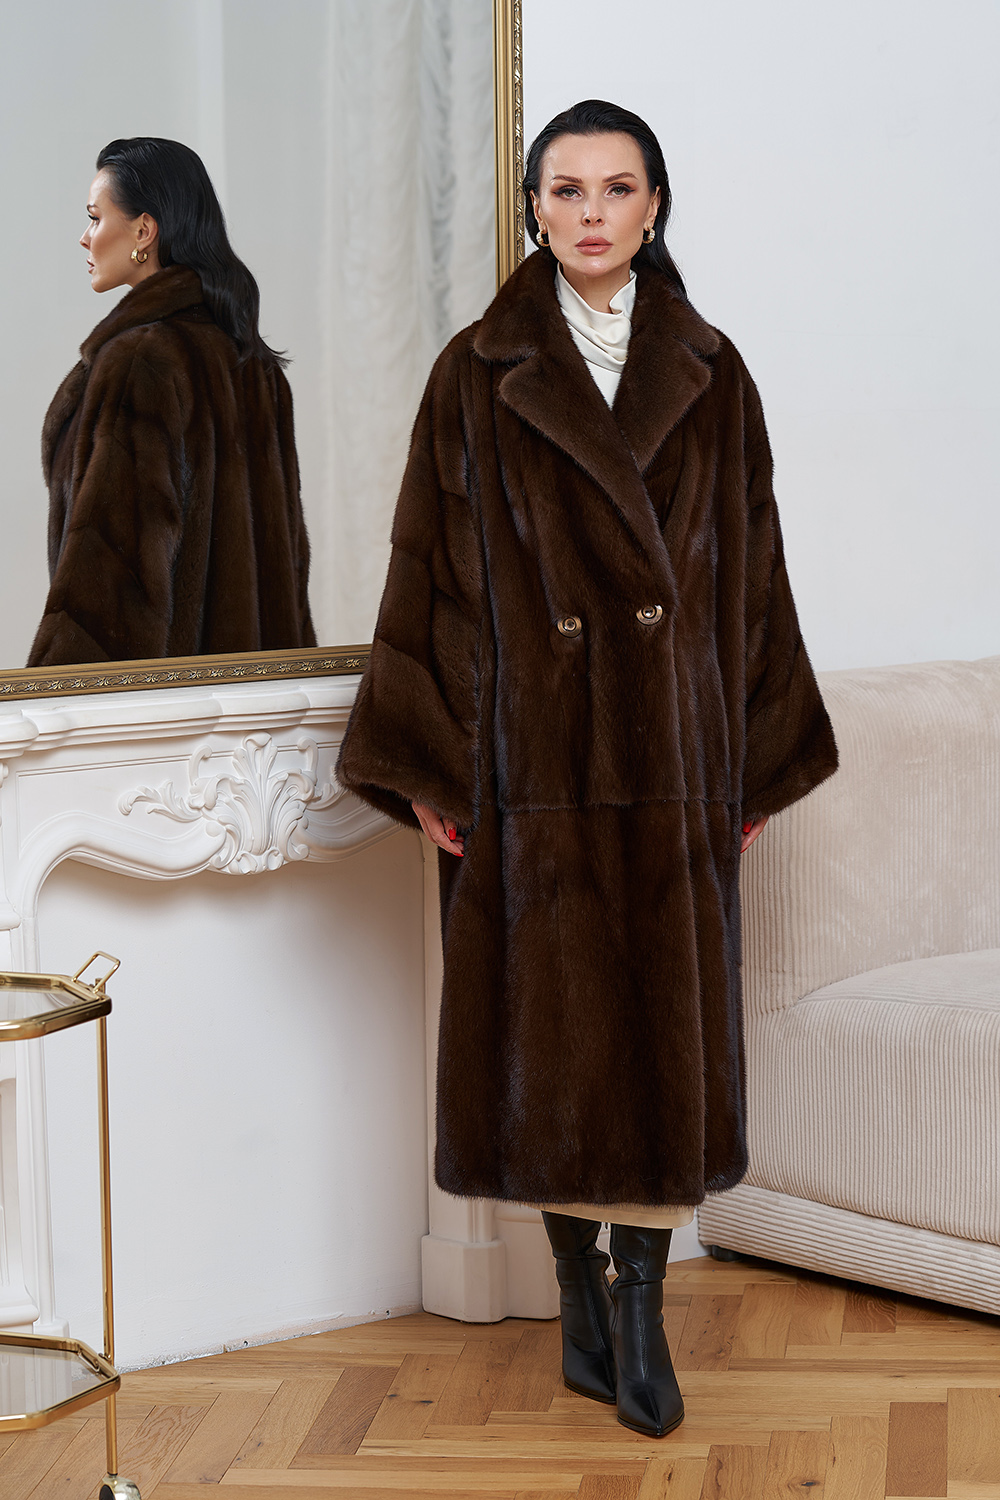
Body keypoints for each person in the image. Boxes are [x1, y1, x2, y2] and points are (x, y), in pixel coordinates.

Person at [336, 100, 837, 1438]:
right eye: (566, 190)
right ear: (534, 209)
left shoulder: (714, 372)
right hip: (533, 764)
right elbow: (429, 575)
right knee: (553, 1047)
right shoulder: (474, 371)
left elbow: (755, 576)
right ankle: (576, 1294)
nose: (593, 213)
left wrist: (749, 765)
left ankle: (642, 1307)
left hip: (673, 760)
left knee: (661, 1046)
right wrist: (432, 765)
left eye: (618, 189)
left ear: (655, 206)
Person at [29, 137, 316, 666]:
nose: (85, 237)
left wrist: (53, 696)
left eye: (95, 218)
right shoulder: (255, 367)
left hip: (169, 706)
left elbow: (113, 579)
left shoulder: (142, 361)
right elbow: (287, 572)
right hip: (259, 702)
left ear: (144, 230)